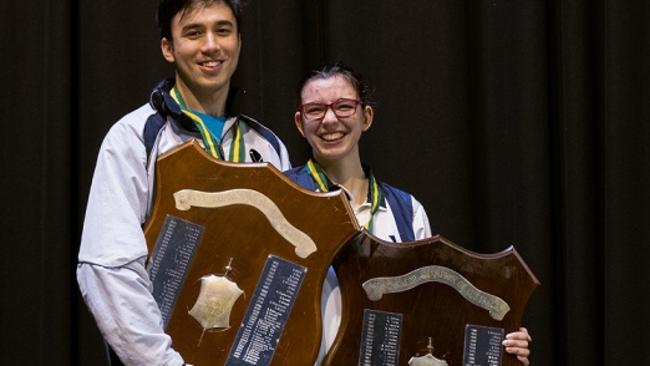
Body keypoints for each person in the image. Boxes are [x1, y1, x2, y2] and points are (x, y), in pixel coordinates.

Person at [76, 1, 290, 365]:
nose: (211, 45)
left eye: (223, 30)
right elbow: (108, 269)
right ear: (168, 48)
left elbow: (285, 271)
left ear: (239, 41)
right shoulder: (133, 138)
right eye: (194, 33)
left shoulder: (266, 147)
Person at [285, 64, 532, 365]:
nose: (330, 119)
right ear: (300, 123)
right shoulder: (283, 198)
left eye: (343, 106)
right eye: (315, 110)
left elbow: (431, 312)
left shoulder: (407, 210)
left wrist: (500, 339)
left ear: (366, 117)